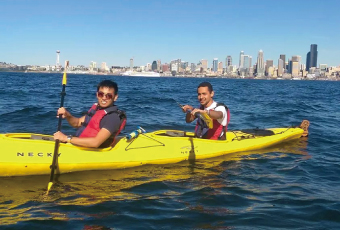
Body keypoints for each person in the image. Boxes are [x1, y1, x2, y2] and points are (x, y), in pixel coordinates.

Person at [53, 80, 126, 148]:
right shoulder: (96, 109)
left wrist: (66, 138)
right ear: (97, 94)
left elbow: (95, 142)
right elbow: (77, 123)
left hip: (92, 152)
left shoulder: (112, 118)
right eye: (101, 94)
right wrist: (67, 115)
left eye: (108, 96)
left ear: (115, 97)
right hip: (80, 146)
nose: (104, 98)